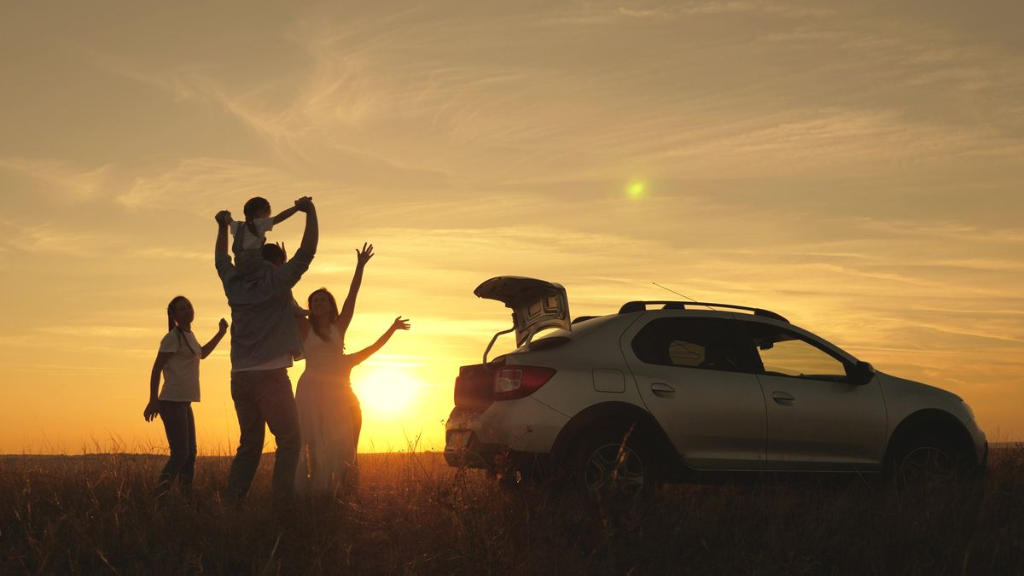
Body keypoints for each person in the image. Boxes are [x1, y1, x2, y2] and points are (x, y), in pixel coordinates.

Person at [214, 195, 317, 505]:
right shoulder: (276, 280)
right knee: (290, 440)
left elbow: (220, 260)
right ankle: (282, 507)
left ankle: (232, 504)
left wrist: (221, 228)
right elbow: (307, 252)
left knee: (250, 445)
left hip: (239, 377)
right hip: (270, 376)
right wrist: (310, 212)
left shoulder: (233, 283)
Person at [294, 245, 410, 494]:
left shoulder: (339, 328)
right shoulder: (304, 328)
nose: (318, 302)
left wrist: (360, 266)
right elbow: (286, 299)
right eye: (314, 300)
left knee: (338, 442)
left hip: (336, 395)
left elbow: (352, 297)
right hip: (309, 390)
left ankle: (335, 489)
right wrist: (282, 267)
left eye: (323, 299)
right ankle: (311, 490)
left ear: (330, 306)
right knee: (310, 440)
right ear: (309, 306)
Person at [143, 296, 228, 498]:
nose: (188, 310)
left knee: (190, 454)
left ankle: (185, 499)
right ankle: (159, 498)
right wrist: (153, 400)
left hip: (184, 402)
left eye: (189, 306)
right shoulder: (172, 337)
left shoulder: (189, 336)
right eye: (182, 309)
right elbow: (156, 369)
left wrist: (221, 333)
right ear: (174, 316)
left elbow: (202, 353)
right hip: (171, 401)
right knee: (180, 454)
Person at [227, 196, 301, 276]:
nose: (267, 218)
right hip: (255, 263)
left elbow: (229, 220)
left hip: (240, 265)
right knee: (279, 272)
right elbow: (281, 217)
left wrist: (225, 215)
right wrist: (296, 208)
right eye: (268, 215)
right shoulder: (259, 223)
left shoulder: (237, 225)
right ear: (260, 212)